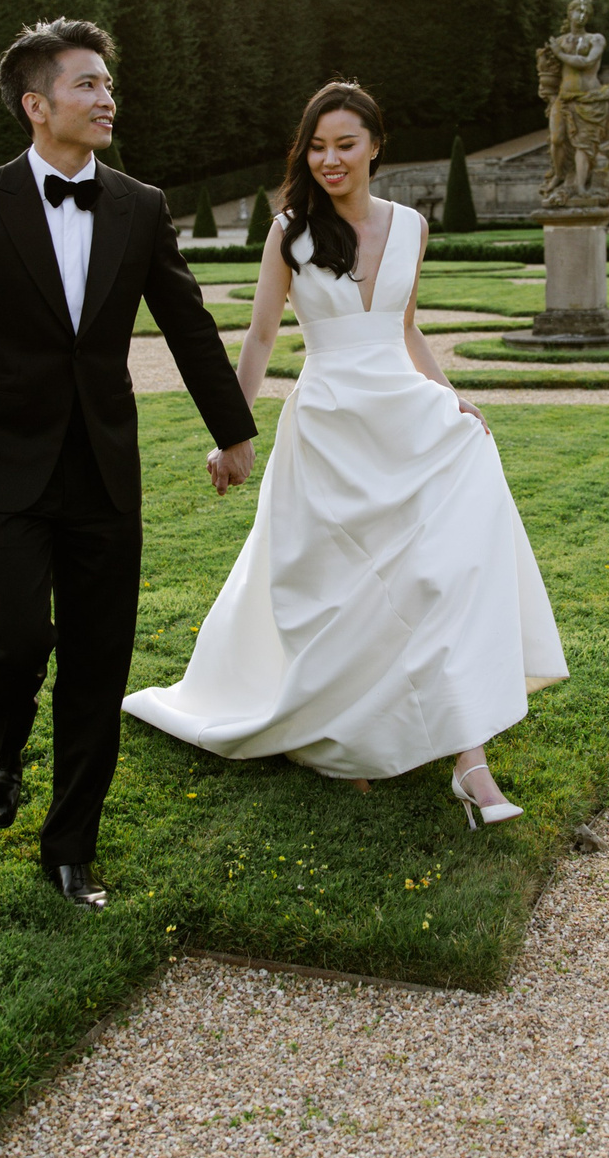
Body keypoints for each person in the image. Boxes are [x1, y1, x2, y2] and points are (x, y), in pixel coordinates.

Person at [0, 18, 257, 911]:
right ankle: (0, 739)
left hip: (103, 470)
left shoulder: (140, 205)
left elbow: (188, 322)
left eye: (108, 84)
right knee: (17, 638)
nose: (107, 98)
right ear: (36, 104)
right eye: (87, 84)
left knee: (99, 659)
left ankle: (70, 850)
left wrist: (233, 430)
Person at [123, 82, 567, 826]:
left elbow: (406, 326)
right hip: (328, 428)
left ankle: (471, 762)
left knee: (443, 576)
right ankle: (346, 736)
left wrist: (451, 394)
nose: (329, 159)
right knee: (335, 595)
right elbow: (261, 336)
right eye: (317, 147)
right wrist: (232, 433)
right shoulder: (289, 233)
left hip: (410, 421)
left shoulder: (412, 225)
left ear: (375, 147)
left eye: (345, 144)